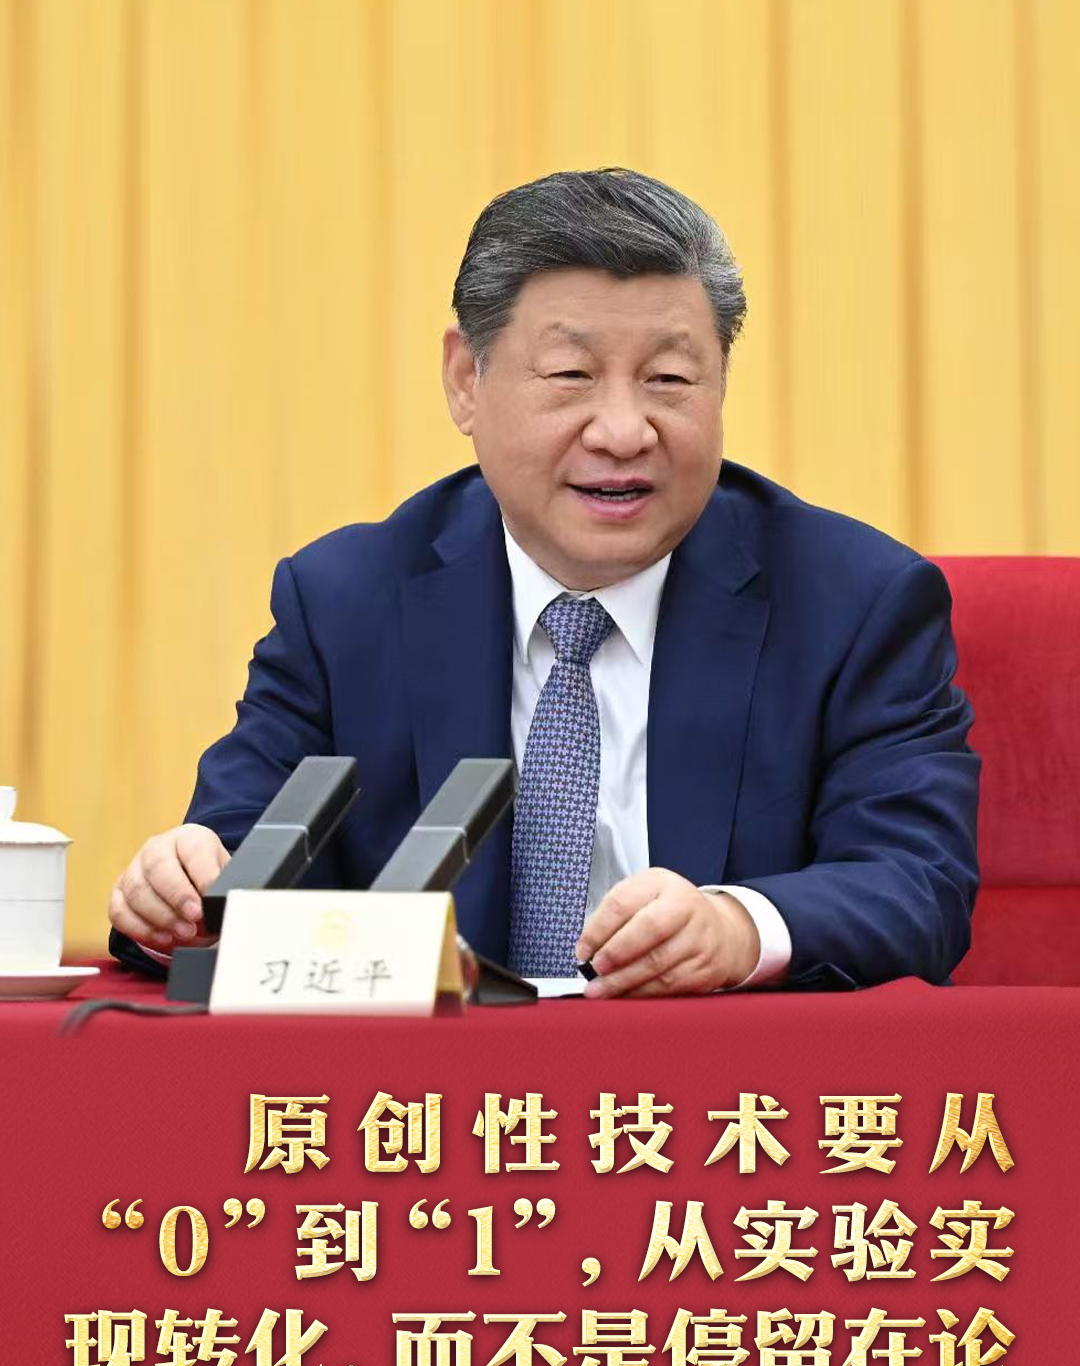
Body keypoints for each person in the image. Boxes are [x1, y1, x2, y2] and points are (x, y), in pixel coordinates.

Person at [109, 167, 978, 994]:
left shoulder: (853, 604)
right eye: (571, 376)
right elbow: (237, 862)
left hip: (712, 1086)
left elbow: (917, 883)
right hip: (430, 1090)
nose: (624, 431)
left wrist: (738, 927)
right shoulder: (347, 603)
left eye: (670, 380)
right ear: (466, 381)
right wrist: (184, 902)